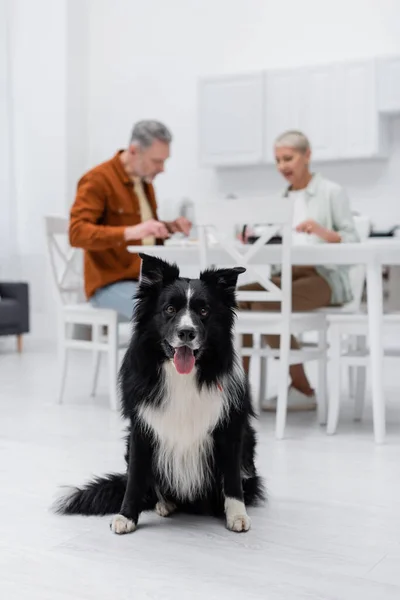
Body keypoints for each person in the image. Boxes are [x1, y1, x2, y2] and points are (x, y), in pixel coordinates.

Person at [239, 130, 359, 411]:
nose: (283, 166)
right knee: (233, 299)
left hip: (323, 276)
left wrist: (320, 230)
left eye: (288, 158)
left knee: (266, 305)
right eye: (278, 160)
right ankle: (236, 391)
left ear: (307, 156)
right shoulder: (279, 200)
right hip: (286, 276)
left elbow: (352, 240)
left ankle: (303, 389)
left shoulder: (331, 192)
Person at [69, 120, 191, 320]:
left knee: (196, 305)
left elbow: (145, 231)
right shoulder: (98, 180)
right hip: (110, 285)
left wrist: (169, 227)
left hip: (146, 280)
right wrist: (132, 232)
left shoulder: (145, 183)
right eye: (157, 161)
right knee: (167, 314)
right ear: (134, 151)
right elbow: (77, 233)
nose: (162, 169)